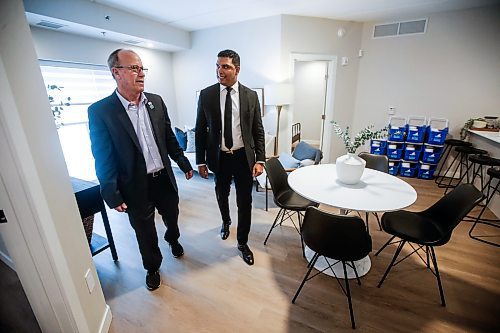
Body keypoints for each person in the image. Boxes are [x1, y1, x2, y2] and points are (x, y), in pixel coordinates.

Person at [88, 49, 193, 291]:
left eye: (142, 68)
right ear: (116, 73)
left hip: (164, 180)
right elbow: (103, 156)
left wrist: (183, 162)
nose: (141, 73)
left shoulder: (155, 101)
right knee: (144, 232)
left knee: (173, 217)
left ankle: (173, 238)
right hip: (135, 186)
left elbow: (168, 137)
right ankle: (152, 267)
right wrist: (111, 193)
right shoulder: (101, 111)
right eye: (134, 68)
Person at [195, 49, 265, 266]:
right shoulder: (206, 95)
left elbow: (258, 130)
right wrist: (200, 160)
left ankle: (243, 243)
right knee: (221, 193)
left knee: (245, 201)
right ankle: (225, 222)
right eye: (217, 66)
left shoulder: (250, 96)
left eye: (225, 66)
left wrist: (260, 160)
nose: (219, 71)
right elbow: (200, 129)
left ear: (237, 69)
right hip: (219, 158)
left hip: (244, 158)